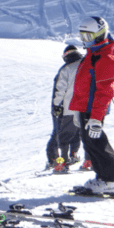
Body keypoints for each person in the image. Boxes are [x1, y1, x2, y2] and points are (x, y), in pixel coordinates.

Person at [69, 16, 114, 194]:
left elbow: (105, 90)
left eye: (88, 36)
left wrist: (96, 118)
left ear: (100, 35)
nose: (84, 41)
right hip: (85, 106)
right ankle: (103, 177)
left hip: (94, 108)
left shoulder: (105, 56)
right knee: (89, 143)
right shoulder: (94, 52)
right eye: (82, 36)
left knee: (98, 143)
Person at [47, 41, 84, 171]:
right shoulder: (85, 65)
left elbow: (59, 89)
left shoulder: (66, 69)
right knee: (79, 133)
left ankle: (59, 162)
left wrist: (56, 106)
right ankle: (77, 155)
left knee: (61, 136)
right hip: (83, 107)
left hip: (67, 107)